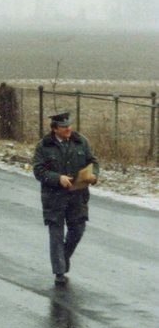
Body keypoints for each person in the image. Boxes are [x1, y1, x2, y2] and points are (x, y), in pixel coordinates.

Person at [33, 112, 99, 285]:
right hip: (54, 197)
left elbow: (92, 161)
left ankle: (63, 257)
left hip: (78, 196)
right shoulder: (44, 146)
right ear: (55, 129)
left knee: (78, 230)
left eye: (69, 125)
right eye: (63, 127)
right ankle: (59, 272)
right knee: (56, 234)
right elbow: (38, 171)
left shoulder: (80, 142)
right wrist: (57, 178)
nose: (68, 128)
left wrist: (94, 175)